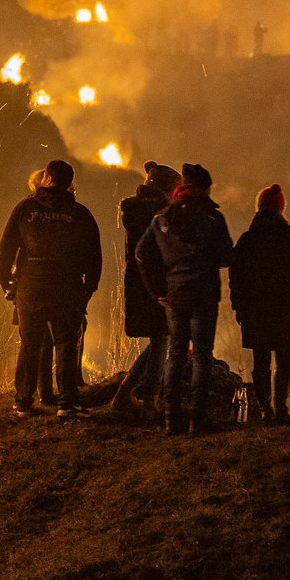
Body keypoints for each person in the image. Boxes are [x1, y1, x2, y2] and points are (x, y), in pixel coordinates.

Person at [0, 159, 103, 418]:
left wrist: (6, 281)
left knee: (30, 344)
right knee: (66, 343)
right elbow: (94, 256)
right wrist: (89, 288)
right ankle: (67, 404)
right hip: (67, 287)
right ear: (69, 183)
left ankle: (22, 402)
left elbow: (6, 249)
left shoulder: (25, 209)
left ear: (46, 179)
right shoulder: (80, 214)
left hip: (30, 286)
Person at [136, 162, 233, 434]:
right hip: (203, 294)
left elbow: (142, 253)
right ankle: (196, 420)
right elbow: (227, 256)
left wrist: (157, 289)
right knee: (202, 356)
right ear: (202, 187)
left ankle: (171, 418)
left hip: (174, 295)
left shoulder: (162, 218)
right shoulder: (213, 218)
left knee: (175, 354)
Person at [229, 184, 290, 426]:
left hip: (256, 309)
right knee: (284, 360)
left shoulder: (248, 239)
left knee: (261, 360)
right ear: (281, 208)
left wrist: (239, 306)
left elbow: (236, 276)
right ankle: (281, 409)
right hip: (287, 309)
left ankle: (266, 410)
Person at [109, 161, 179, 416]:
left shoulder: (132, 210)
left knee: (159, 337)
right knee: (162, 336)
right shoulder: (164, 214)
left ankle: (125, 394)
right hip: (160, 282)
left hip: (138, 282)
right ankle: (148, 398)